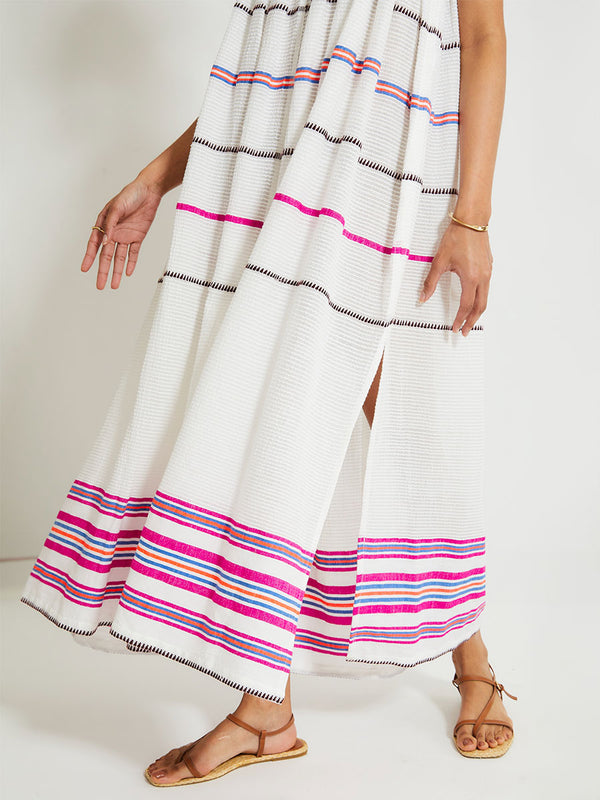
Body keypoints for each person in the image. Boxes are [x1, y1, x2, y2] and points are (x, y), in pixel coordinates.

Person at [20, 0, 516, 786]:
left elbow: (484, 37)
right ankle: (264, 710)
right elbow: (274, 80)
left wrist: (474, 217)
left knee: (402, 425)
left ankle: (473, 656)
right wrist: (158, 177)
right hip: (278, 185)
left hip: (393, 175)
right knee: (266, 406)